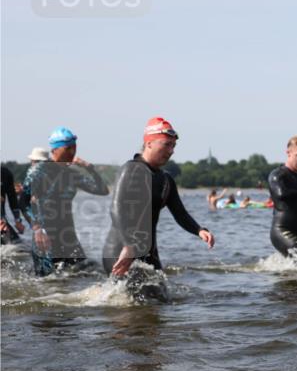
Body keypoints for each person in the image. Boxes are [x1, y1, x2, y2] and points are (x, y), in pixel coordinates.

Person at [103, 117, 215, 277]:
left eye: (174, 146)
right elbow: (116, 210)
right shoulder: (131, 170)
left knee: (161, 299)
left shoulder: (166, 180)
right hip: (120, 250)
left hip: (148, 253)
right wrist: (129, 246)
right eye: (167, 145)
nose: (171, 151)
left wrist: (199, 230)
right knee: (140, 297)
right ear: (149, 143)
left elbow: (180, 213)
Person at [20, 128, 109, 276]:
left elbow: (102, 190)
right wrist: (36, 229)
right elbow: (23, 202)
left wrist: (89, 167)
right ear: (54, 150)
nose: (72, 152)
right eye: (68, 148)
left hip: (68, 237)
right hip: (45, 236)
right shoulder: (39, 171)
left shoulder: (71, 174)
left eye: (74, 147)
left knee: (86, 274)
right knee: (47, 284)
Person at [1, 165, 25, 245]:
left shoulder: (5, 173)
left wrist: (17, 220)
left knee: (17, 246)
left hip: (2, 221)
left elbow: (12, 199)